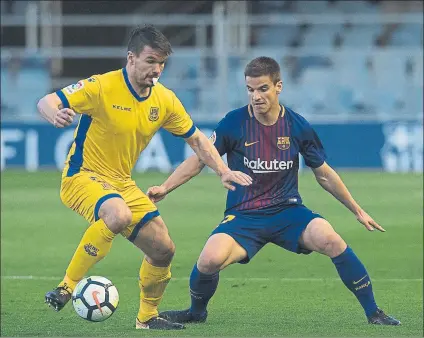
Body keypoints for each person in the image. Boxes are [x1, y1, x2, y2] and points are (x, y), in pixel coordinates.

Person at [146, 56, 401, 326]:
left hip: (288, 211)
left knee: (332, 240)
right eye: (250, 89)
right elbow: (199, 159)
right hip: (244, 216)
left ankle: (374, 312)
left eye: (262, 88)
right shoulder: (234, 122)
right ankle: (197, 312)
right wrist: (165, 187)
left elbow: (324, 174)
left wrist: (357, 210)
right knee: (208, 260)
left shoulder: (296, 125)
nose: (255, 96)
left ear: (278, 86)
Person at [36, 25, 252, 330]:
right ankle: (66, 287)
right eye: (151, 60)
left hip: (121, 183)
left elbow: (198, 140)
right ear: (131, 58)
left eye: (162, 63)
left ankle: (147, 318)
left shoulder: (164, 100)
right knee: (118, 214)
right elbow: (47, 102)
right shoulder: (102, 86)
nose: (157, 69)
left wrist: (223, 170)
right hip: (82, 176)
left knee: (163, 249)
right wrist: (55, 114)